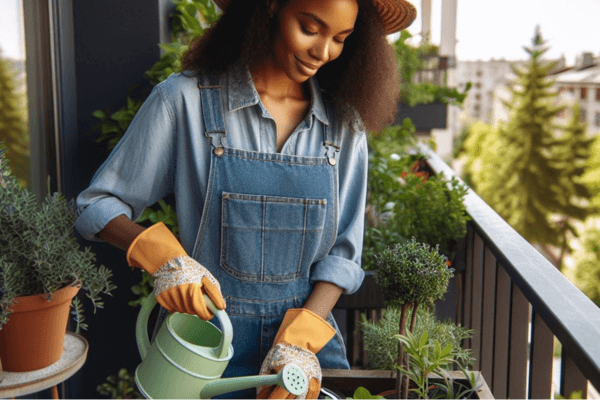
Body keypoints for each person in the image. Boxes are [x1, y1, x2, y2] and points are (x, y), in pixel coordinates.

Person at [75, 0, 415, 398]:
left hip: (299, 355)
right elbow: (95, 205)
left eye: (340, 39)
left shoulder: (344, 127)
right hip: (202, 344)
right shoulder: (185, 100)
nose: (323, 52)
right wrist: (164, 258)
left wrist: (299, 341)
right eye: (310, 28)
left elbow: (342, 255)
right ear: (271, 7)